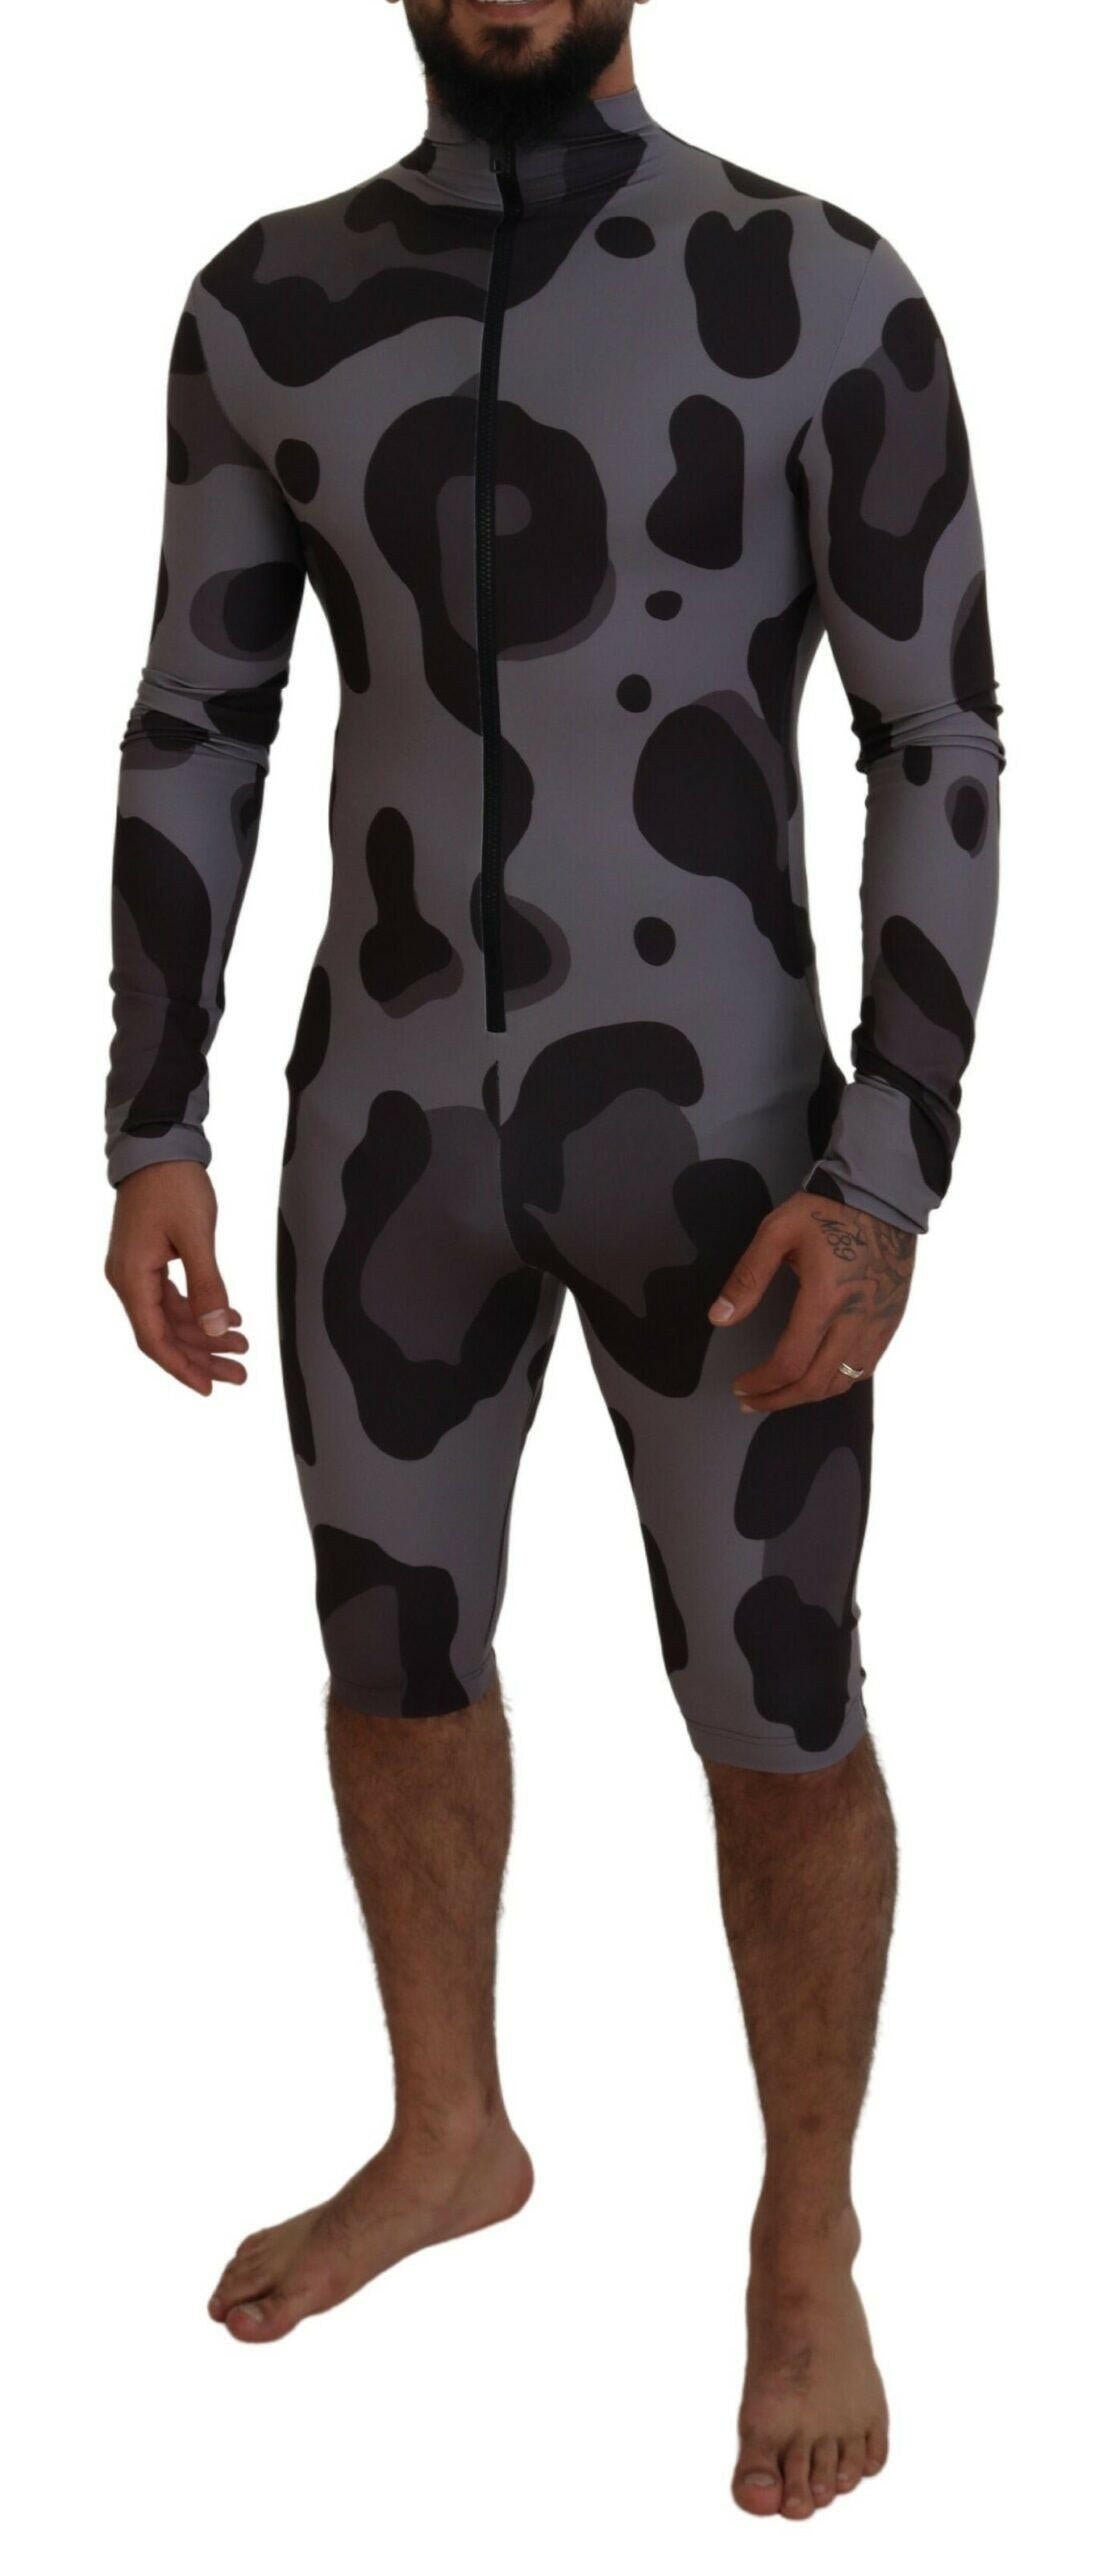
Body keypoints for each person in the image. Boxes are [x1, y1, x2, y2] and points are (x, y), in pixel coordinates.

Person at [103, 0, 1004, 2521]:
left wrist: (887, 1164)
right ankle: (449, 2128)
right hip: (386, 1137)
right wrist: (149, 1123)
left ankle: (807, 2226)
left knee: (778, 1695)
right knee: (390, 1647)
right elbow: (197, 716)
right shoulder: (266, 302)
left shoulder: (818, 284)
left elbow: (938, 738)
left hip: (728, 1151)